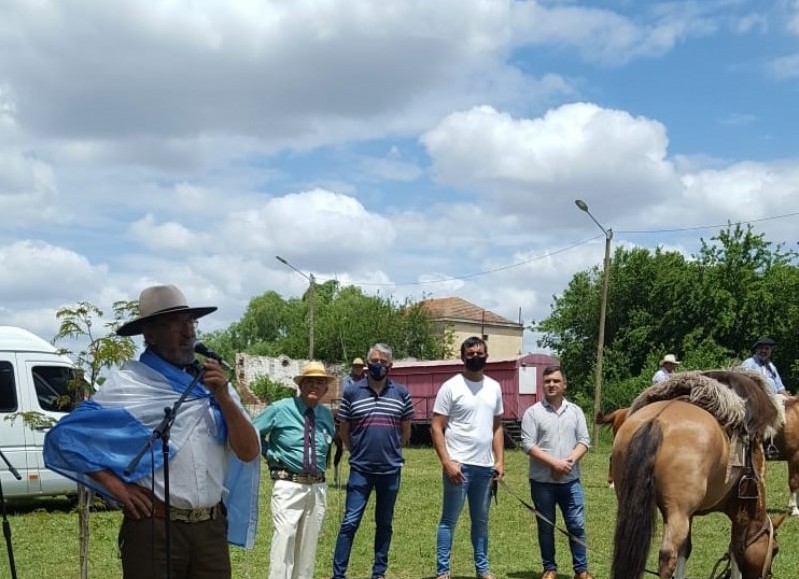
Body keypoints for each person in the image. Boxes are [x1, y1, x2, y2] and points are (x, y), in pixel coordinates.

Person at [43, 284, 261, 579]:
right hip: (154, 528)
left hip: (210, 529)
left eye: (190, 323)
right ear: (149, 334)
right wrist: (116, 487)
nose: (188, 333)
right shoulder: (129, 385)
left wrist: (222, 395)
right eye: (175, 324)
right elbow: (63, 439)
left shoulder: (212, 385)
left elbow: (248, 451)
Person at [331, 343, 414, 579]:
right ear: (367, 364)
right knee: (349, 522)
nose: (377, 365)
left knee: (384, 524)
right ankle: (338, 574)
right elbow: (344, 430)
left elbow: (406, 430)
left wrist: (394, 448)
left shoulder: (401, 393)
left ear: (390, 365)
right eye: (373, 361)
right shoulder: (352, 392)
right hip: (360, 470)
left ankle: (379, 573)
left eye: (382, 361)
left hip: (390, 470)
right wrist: (354, 450)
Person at [254, 361, 336, 579]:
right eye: (309, 381)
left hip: (317, 487)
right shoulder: (281, 408)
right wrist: (270, 454)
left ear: (326, 390)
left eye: (320, 382)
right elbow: (253, 432)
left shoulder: (327, 417)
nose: (314, 386)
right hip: (288, 484)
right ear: (300, 385)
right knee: (284, 540)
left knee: (308, 547)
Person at [431, 336, 504, 579]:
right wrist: (447, 462)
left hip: (484, 468)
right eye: (470, 353)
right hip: (458, 467)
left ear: (486, 356)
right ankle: (443, 571)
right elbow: (436, 426)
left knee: (481, 522)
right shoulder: (451, 386)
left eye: (479, 353)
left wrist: (500, 460)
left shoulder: (494, 387)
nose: (475, 356)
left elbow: (497, 427)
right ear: (462, 357)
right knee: (449, 520)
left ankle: (482, 569)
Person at [520, 365, 593, 579]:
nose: (551, 384)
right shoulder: (533, 413)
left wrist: (567, 463)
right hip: (542, 482)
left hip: (571, 481)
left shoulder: (576, 411)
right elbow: (527, 445)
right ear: (543, 385)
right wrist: (554, 464)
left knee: (576, 525)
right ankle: (549, 569)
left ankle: (581, 571)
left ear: (564, 385)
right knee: (546, 526)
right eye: (548, 381)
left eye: (556, 381)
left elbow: (584, 441)